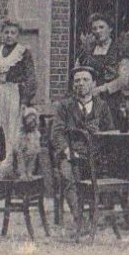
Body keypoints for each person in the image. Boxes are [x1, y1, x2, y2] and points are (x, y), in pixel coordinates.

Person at [51, 65, 118, 225]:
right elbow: (57, 133)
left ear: (94, 83)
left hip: (96, 156)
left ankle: (101, 215)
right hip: (71, 155)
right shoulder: (64, 107)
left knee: (112, 169)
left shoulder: (102, 106)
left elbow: (110, 133)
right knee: (68, 176)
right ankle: (80, 219)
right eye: (77, 81)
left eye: (85, 80)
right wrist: (67, 151)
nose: (81, 83)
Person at [0, 19, 37, 156]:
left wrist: (25, 100)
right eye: (6, 32)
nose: (9, 35)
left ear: (17, 35)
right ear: (2, 34)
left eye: (13, 33)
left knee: (12, 124)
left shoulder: (23, 53)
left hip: (14, 93)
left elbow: (31, 77)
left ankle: (10, 158)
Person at [75, 13, 129, 115]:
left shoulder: (120, 51)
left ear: (110, 29)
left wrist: (102, 89)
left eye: (101, 27)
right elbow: (76, 73)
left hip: (112, 102)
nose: (98, 31)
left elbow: (123, 80)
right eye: (94, 28)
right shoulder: (86, 52)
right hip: (88, 102)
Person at [2, 106, 48, 182]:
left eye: (34, 117)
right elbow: (19, 157)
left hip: (28, 168)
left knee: (33, 156)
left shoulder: (36, 135)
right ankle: (22, 173)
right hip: (13, 167)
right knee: (20, 155)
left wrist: (29, 173)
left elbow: (33, 157)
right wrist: (22, 173)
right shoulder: (20, 136)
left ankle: (29, 172)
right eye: (29, 117)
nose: (32, 119)